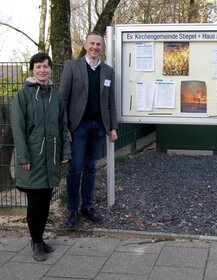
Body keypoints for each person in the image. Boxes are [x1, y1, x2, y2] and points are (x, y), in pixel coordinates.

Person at [11, 53, 71, 262]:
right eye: (38, 67)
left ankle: (40, 237)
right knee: (35, 201)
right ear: (32, 70)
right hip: (32, 158)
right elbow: (18, 129)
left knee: (45, 200)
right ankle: (36, 241)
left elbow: (63, 126)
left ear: (50, 70)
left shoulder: (55, 96)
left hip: (51, 158)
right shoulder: (23, 95)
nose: (42, 70)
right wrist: (23, 157)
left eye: (46, 67)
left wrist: (66, 152)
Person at [60, 31, 118, 230]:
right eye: (91, 43)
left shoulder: (108, 71)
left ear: (102, 47)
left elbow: (111, 102)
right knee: (75, 169)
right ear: (85, 45)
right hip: (78, 127)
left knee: (91, 168)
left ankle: (87, 206)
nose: (95, 47)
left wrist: (112, 126)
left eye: (98, 44)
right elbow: (63, 99)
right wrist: (65, 126)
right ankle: (72, 210)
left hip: (98, 127)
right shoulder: (72, 66)